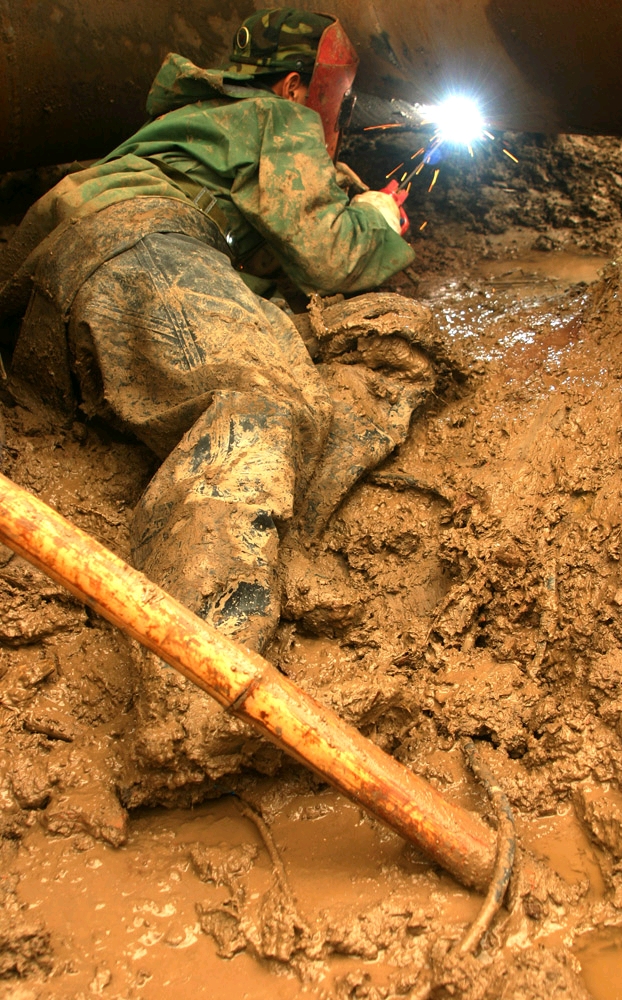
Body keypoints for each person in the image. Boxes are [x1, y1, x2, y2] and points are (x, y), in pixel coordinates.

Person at [0, 9, 433, 782]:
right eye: (337, 97)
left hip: (43, 297)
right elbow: (330, 257)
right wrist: (372, 222)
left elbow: (241, 275)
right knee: (266, 399)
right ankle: (193, 711)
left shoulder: (194, 127)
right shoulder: (278, 116)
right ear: (299, 84)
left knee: (251, 372)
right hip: (140, 251)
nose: (341, 115)